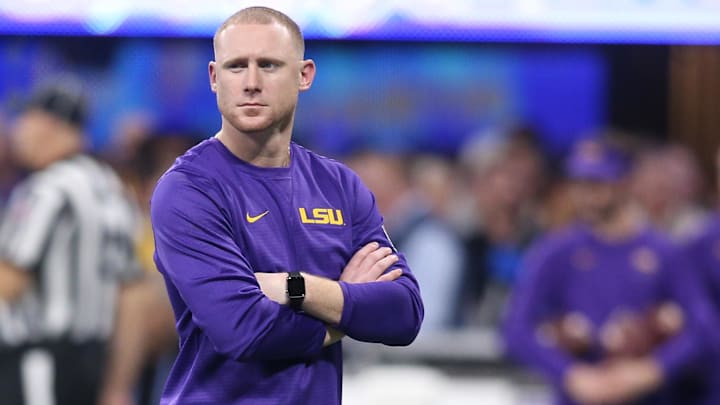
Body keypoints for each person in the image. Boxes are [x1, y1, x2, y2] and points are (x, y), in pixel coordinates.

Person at [150, 7, 424, 405]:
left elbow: (404, 313)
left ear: (304, 75)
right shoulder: (188, 190)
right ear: (214, 78)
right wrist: (346, 307)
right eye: (236, 66)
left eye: (269, 65)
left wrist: (297, 288)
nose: (251, 83)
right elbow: (243, 330)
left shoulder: (339, 185)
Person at [502, 138, 715, 405]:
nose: (586, 193)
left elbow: (703, 328)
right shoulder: (556, 250)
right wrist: (571, 374)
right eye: (580, 182)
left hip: (648, 396)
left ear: (626, 181)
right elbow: (515, 329)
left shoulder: (665, 252)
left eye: (598, 183)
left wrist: (652, 370)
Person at [0, 79, 144, 405]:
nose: (18, 131)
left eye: (25, 119)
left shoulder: (48, 190)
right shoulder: (112, 187)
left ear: (48, 124)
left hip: (38, 361)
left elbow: (8, 282)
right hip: (93, 362)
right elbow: (132, 297)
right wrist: (119, 386)